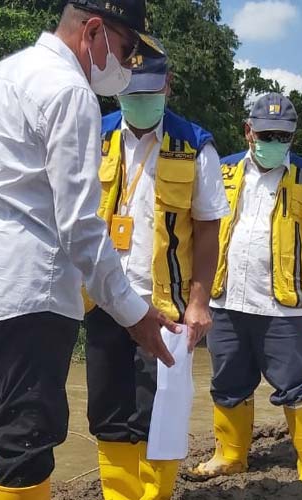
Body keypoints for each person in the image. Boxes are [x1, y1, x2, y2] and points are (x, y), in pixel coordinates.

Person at [0, 2, 179, 499]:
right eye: (123, 49)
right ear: (93, 31)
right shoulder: (70, 91)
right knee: (28, 434)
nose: (124, 64)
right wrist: (133, 313)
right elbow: (80, 227)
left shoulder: (4, 75)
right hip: (36, 288)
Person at [83, 39, 228, 500]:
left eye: (148, 91)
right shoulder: (94, 134)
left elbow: (208, 230)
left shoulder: (195, 144)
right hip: (103, 298)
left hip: (166, 307)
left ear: (167, 85)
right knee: (108, 412)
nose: (139, 101)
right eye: (130, 91)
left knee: (158, 415)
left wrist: (200, 303)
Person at [185, 93, 302, 485]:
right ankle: (231, 455)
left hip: (283, 306)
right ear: (248, 131)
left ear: (292, 137)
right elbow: (198, 230)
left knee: (297, 386)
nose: (274, 141)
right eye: (266, 133)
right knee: (227, 381)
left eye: (282, 136)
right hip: (227, 300)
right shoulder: (222, 171)